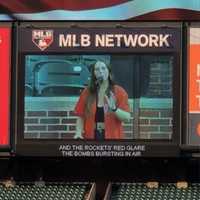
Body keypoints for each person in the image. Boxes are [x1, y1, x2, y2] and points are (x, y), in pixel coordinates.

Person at [74, 60, 130, 140]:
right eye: (97, 69)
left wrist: (114, 109)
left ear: (109, 72)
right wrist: (78, 133)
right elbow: (80, 115)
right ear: (94, 74)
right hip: (91, 137)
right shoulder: (87, 92)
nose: (100, 71)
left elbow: (127, 118)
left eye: (103, 68)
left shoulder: (119, 91)